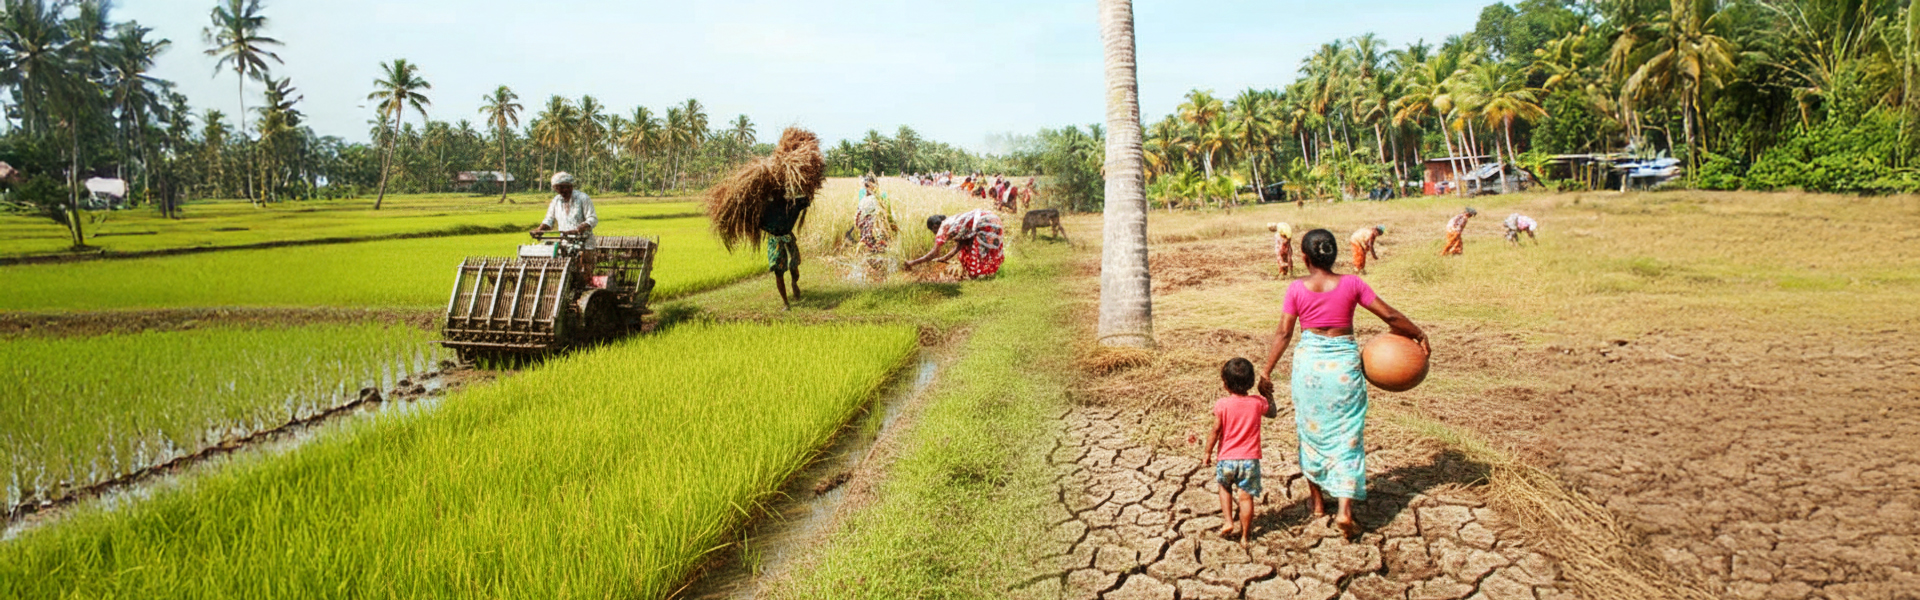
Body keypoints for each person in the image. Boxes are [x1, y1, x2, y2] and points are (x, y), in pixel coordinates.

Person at [1260, 229, 1428, 538]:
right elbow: (1389, 316)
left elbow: (1283, 334)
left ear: (1305, 258)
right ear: (1334, 255)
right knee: (1348, 435)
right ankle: (1345, 510)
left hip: (1309, 367)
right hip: (1343, 367)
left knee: (1309, 431)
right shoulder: (1352, 283)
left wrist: (1267, 371)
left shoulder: (1297, 288)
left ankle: (1317, 502)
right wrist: (1417, 332)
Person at [1204, 357, 1280, 547]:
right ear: (1251, 382)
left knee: (1225, 487)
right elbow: (1272, 413)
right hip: (1249, 461)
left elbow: (1215, 431)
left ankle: (1229, 521)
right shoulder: (1257, 402)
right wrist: (1267, 395)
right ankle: (1245, 536)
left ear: (1225, 384)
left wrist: (1207, 452)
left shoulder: (1222, 405)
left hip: (1227, 459)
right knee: (1246, 498)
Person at [903, 208, 1005, 279]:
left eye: (932, 230)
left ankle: (976, 276)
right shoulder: (952, 221)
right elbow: (958, 246)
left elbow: (933, 253)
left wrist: (911, 263)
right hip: (993, 220)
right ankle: (982, 275)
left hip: (987, 224)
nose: (934, 233)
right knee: (966, 248)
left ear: (934, 227)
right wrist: (943, 259)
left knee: (971, 252)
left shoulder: (943, 228)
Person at [761, 180, 813, 310]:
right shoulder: (765, 207)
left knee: (794, 267)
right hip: (774, 242)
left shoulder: (791, 204)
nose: (780, 193)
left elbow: (807, 200)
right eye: (777, 191)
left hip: (788, 239)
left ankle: (794, 282)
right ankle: (786, 303)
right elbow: (755, 219)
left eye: (781, 190)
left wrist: (809, 185)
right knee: (778, 272)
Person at [529, 172, 598, 243]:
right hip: (564, 242)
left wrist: (582, 227)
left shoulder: (583, 198)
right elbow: (549, 220)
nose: (561, 191)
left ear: (570, 186)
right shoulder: (556, 200)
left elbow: (592, 218)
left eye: (563, 188)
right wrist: (540, 230)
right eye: (557, 189)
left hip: (584, 242)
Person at [855, 176, 898, 277]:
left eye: (869, 186)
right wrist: (858, 221)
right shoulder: (862, 194)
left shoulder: (881, 195)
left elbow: (887, 210)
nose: (867, 188)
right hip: (866, 225)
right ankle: (870, 270)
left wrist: (891, 224)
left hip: (879, 225)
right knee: (868, 245)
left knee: (879, 245)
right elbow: (859, 209)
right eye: (865, 186)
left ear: (875, 185)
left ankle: (881, 271)